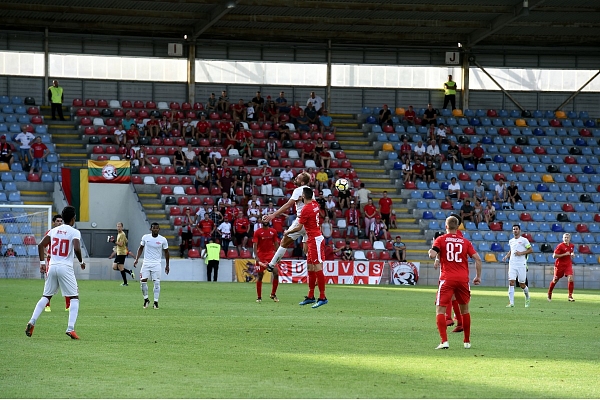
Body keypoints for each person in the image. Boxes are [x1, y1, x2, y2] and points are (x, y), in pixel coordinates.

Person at [26, 206, 85, 340]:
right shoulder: (74, 232)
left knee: (46, 296)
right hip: (65, 267)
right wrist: (81, 262)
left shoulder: (53, 230)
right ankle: (71, 328)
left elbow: (40, 245)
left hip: (52, 266)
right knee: (74, 297)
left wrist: (42, 264)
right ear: (73, 218)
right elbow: (76, 247)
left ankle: (32, 321)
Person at [429, 216, 482, 349]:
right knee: (465, 310)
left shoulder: (440, 239)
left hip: (447, 278)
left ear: (446, 226)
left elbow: (432, 255)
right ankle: (467, 342)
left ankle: (444, 341)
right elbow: (478, 259)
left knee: (440, 310)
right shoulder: (465, 242)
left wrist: (431, 249)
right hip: (463, 279)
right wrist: (478, 277)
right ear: (458, 227)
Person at [275, 187, 327, 308]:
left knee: (317, 267)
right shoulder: (315, 204)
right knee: (310, 266)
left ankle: (323, 297)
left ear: (304, 196)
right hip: (311, 239)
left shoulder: (306, 209)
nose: (301, 197)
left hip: (315, 239)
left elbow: (298, 228)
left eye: (302, 196)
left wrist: (287, 232)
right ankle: (310, 296)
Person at [261, 172, 312, 271]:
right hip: (311, 223)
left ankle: (271, 265)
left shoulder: (298, 190)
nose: (295, 179)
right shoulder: (310, 191)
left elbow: (288, 205)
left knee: (284, 241)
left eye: (298, 178)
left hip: (301, 220)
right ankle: (313, 274)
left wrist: (273, 215)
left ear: (302, 182)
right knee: (307, 250)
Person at [133, 223, 170, 309]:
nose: (156, 230)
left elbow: (166, 252)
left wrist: (167, 265)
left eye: (157, 228)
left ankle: (156, 302)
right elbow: (141, 248)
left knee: (156, 283)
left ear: (159, 229)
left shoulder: (163, 239)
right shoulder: (145, 237)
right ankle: (146, 299)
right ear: (151, 229)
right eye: (154, 228)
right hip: (146, 263)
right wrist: (136, 259)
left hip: (156, 264)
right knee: (143, 282)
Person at [43, 214, 70, 313]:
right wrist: (47, 254)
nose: (59, 223)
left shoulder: (66, 233)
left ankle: (68, 306)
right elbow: (42, 246)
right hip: (51, 263)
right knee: (49, 284)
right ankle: (47, 305)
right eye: (57, 221)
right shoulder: (50, 233)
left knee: (66, 284)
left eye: (61, 221)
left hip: (63, 262)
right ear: (53, 222)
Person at [502, 224, 533, 308]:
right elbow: (511, 250)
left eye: (516, 229)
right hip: (512, 264)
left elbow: (530, 250)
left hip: (521, 264)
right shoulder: (511, 241)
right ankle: (511, 303)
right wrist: (506, 256)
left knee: (521, 284)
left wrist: (521, 253)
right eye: (513, 229)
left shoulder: (524, 240)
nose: (515, 230)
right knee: (511, 282)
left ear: (519, 230)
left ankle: (527, 297)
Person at [253, 220, 280, 302]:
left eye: (266, 219)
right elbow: (255, 244)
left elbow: (276, 243)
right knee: (260, 276)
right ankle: (259, 297)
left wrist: (278, 256)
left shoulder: (273, 231)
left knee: (276, 273)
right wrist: (256, 256)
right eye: (264, 219)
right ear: (262, 221)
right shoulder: (257, 232)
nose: (265, 220)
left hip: (271, 256)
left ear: (269, 221)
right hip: (261, 256)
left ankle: (273, 294)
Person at [549, 233, 576, 302]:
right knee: (555, 280)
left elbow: (571, 251)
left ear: (570, 238)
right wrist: (564, 254)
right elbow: (554, 256)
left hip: (568, 264)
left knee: (571, 278)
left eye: (567, 237)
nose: (566, 239)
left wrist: (572, 254)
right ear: (562, 238)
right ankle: (549, 293)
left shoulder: (572, 245)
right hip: (559, 265)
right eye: (565, 237)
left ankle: (570, 296)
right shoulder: (560, 246)